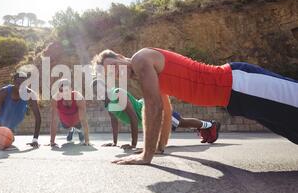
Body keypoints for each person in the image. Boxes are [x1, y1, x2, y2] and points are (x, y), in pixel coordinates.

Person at [92, 48, 298, 165]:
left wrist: (146, 156)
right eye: (112, 74)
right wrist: (158, 147)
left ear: (119, 56)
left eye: (114, 67)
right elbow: (164, 108)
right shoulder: (148, 75)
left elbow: (153, 108)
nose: (116, 74)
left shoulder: (140, 59)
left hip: (240, 83)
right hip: (236, 100)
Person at [92, 80, 220, 152]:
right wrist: (114, 142)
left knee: (180, 122)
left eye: (101, 88)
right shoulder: (107, 104)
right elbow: (114, 121)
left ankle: (210, 125)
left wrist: (133, 144)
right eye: (96, 91)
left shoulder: (117, 93)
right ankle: (207, 126)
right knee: (179, 123)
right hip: (148, 115)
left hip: (152, 108)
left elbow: (133, 117)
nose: (99, 92)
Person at [0, 72, 41, 148]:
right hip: (1, 118)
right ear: (14, 82)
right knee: (3, 137)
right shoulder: (4, 92)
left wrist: (35, 139)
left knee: (9, 139)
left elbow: (38, 117)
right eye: (18, 83)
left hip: (15, 120)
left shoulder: (31, 94)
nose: (20, 86)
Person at [50, 79, 90, 147]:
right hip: (65, 122)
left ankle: (77, 130)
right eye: (61, 91)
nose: (63, 93)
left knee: (78, 125)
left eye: (66, 90)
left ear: (71, 89)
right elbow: (54, 120)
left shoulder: (78, 98)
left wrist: (87, 141)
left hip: (77, 121)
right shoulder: (55, 99)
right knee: (67, 126)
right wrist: (52, 142)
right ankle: (71, 129)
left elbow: (83, 119)